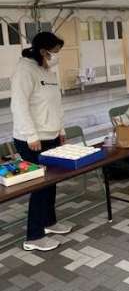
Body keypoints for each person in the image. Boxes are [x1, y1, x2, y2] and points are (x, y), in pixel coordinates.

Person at [11, 31, 72, 252]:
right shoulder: (25, 70)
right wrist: (31, 135)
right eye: (54, 52)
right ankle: (34, 237)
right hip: (32, 140)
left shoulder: (48, 71)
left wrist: (60, 130)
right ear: (43, 51)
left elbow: (55, 104)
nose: (56, 56)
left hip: (51, 136)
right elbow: (19, 105)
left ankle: (49, 222)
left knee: (50, 182)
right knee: (39, 186)